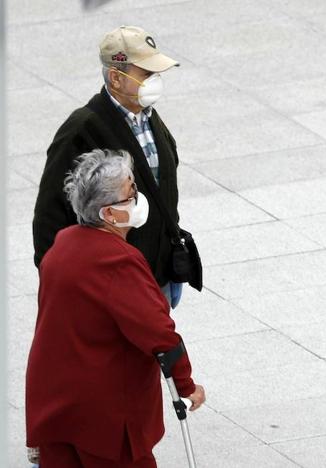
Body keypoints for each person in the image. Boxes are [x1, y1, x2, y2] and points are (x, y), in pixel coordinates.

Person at [25, 149, 205, 468]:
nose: (137, 196)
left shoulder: (62, 245)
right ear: (109, 213)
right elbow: (158, 332)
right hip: (105, 416)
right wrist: (187, 385)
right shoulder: (117, 261)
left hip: (55, 405)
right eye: (130, 191)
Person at [33, 25, 187, 308]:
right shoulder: (81, 129)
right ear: (116, 78)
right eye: (147, 74)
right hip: (111, 285)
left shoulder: (149, 117)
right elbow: (49, 216)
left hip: (155, 277)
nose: (155, 80)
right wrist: (60, 283)